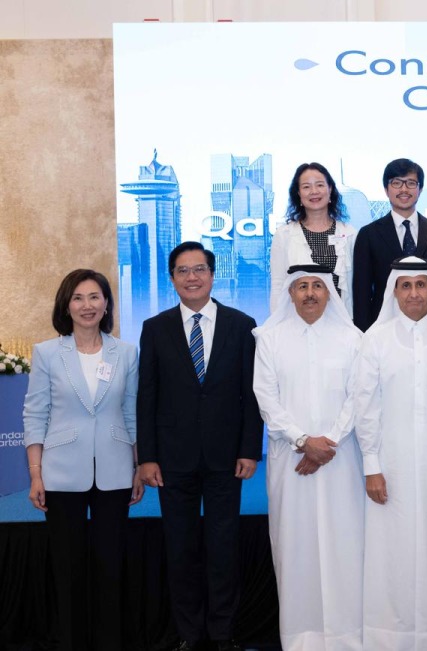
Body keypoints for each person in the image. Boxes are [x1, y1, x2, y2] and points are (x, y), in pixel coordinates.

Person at [137, 242, 263, 651]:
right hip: (173, 459)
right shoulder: (154, 328)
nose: (192, 277)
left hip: (227, 458)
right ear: (172, 278)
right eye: (183, 271)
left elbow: (251, 394)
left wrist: (249, 449)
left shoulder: (242, 325)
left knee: (223, 548)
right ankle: (190, 634)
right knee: (181, 548)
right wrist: (148, 457)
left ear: (213, 275)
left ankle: (222, 633)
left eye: (199, 270)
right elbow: (147, 396)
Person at [354, 257, 427, 649]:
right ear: (394, 291)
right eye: (405, 286)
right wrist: (372, 466)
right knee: (393, 550)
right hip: (392, 465)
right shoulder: (375, 340)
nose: (414, 293)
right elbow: (365, 408)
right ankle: (393, 635)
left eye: (421, 285)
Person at [22, 269, 142, 651]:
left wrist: (138, 466)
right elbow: (35, 414)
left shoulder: (125, 352)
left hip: (115, 469)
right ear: (66, 305)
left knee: (110, 568)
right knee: (68, 568)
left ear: (106, 303)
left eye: (95, 297)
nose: (87, 305)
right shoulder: (46, 352)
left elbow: (131, 411)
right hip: (60, 474)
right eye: (78, 297)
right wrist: (35, 474)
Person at [253, 264, 365, 650]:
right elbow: (266, 397)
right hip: (290, 460)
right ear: (290, 293)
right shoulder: (270, 339)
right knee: (295, 545)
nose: (310, 293)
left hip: (341, 459)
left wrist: (327, 443)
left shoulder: (352, 339)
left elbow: (359, 395)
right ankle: (302, 638)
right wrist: (302, 441)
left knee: (344, 543)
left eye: (318, 285)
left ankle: (347, 636)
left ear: (329, 293)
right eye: (302, 286)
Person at [352, 158, 427, 331]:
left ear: (420, 189)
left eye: (411, 183)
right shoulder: (368, 235)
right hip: (383, 328)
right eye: (397, 183)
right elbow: (362, 293)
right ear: (386, 189)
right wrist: (364, 333)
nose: (404, 189)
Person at [270, 162, 358, 315]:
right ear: (298, 194)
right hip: (297, 323)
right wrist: (276, 324)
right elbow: (278, 285)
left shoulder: (349, 233)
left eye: (319, 185)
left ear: (330, 189)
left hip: (341, 323)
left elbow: (356, 286)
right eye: (306, 187)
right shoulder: (284, 235)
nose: (314, 191)